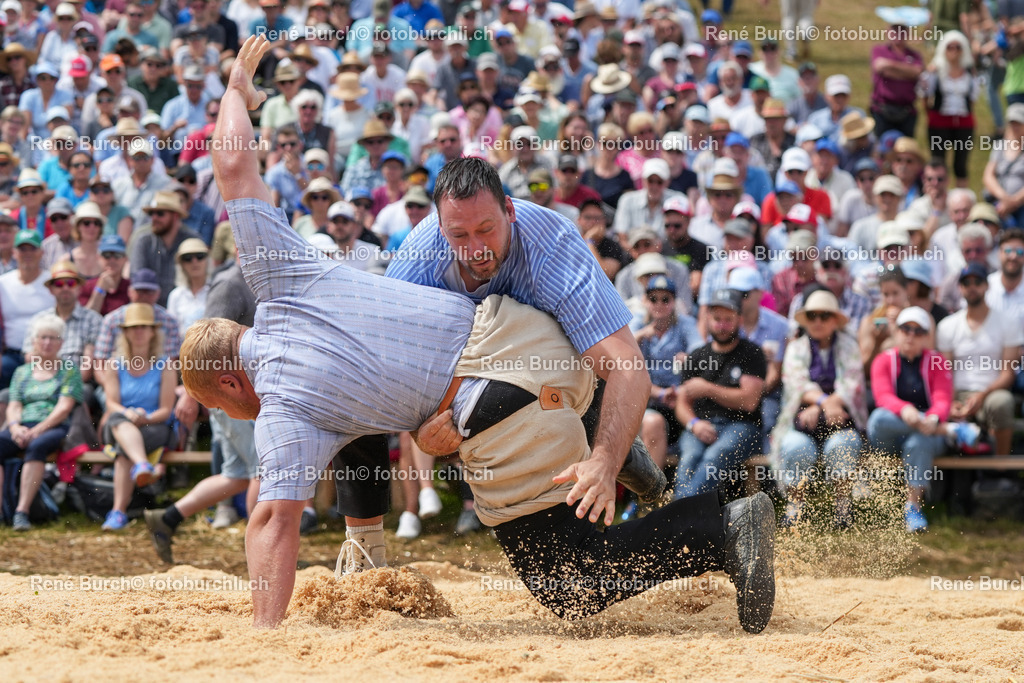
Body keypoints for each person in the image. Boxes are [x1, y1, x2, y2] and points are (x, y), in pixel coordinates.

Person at [181, 36, 774, 633]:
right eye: (458, 236)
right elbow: (233, 166)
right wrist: (234, 93)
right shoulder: (283, 270)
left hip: (519, 382)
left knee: (570, 582)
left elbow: (270, 520)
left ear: (230, 379)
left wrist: (263, 637)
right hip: (509, 362)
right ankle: (374, 553)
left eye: (486, 230)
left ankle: (713, 522)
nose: (473, 247)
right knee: (365, 420)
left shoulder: (552, 247)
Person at [868, 307, 970, 533]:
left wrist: (933, 417)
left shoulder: (937, 361)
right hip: (891, 433)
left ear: (926, 336)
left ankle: (913, 507)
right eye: (906, 328)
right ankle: (949, 430)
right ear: (897, 331)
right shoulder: (883, 360)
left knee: (919, 442)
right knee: (877, 419)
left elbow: (943, 398)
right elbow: (882, 396)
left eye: (918, 331)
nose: (911, 335)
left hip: (926, 432)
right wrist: (905, 410)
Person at [772, 289, 866, 528]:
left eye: (824, 316)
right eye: (813, 316)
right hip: (803, 418)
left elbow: (852, 384)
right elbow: (796, 384)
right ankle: (796, 507)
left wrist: (821, 405)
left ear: (835, 320)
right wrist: (825, 403)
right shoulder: (796, 347)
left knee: (841, 445)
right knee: (795, 446)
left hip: (841, 417)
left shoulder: (849, 345)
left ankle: (843, 508)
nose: (818, 322)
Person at [673, 288, 766, 498]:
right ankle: (689, 523)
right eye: (717, 319)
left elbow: (749, 401)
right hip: (700, 424)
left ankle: (675, 518)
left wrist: (707, 389)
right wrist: (694, 424)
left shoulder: (751, 353)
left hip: (742, 425)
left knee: (716, 455)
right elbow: (682, 404)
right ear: (707, 319)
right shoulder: (696, 356)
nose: (722, 325)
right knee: (689, 457)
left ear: (739, 320)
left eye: (728, 319)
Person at [98, 303, 177, 530]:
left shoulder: (165, 365)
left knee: (124, 452)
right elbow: (112, 404)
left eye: (144, 326)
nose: (139, 331)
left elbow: (166, 410)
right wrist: (129, 413)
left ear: (153, 331)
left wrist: (145, 418)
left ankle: (118, 513)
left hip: (154, 425)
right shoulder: (114, 363)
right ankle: (143, 464)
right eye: (133, 327)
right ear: (125, 332)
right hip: (120, 423)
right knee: (117, 420)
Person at [0, 313, 81, 530]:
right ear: (34, 341)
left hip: (53, 426)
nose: (47, 343)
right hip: (22, 424)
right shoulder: (22, 372)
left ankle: (22, 512)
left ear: (61, 343)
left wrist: (36, 430)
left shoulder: (69, 371)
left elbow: (64, 408)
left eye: (53, 338)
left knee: (37, 447)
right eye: (43, 337)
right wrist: (16, 427)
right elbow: (14, 404)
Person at [936, 264, 1023, 457]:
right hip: (957, 394)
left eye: (978, 281)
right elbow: (945, 372)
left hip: (990, 394)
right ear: (960, 288)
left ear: (987, 286)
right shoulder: (947, 326)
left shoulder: (1007, 322)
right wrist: (949, 402)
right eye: (966, 282)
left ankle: (1000, 469)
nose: (972, 286)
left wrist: (981, 396)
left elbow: (1008, 373)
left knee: (1002, 403)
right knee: (938, 407)